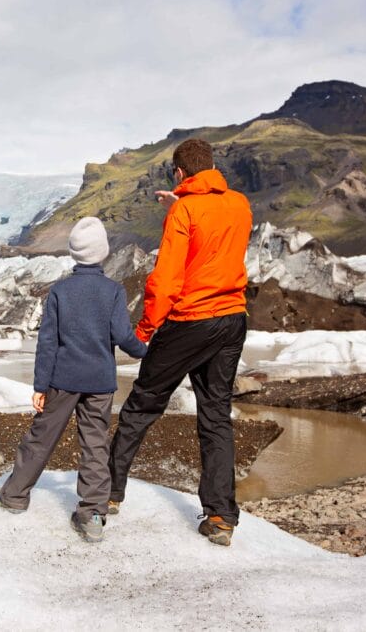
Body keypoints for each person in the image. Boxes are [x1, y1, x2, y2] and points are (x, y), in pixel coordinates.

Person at [108, 137, 252, 547]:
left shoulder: (185, 210)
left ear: (178, 172)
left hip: (191, 319)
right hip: (232, 319)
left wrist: (145, 328)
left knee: (142, 404)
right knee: (216, 416)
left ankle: (109, 492)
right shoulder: (239, 204)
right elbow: (216, 226)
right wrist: (183, 197)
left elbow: (167, 277)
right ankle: (221, 516)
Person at [0, 216, 148, 543]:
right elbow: (122, 335)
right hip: (100, 382)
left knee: (41, 437)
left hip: (62, 379)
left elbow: (48, 343)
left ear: (75, 253)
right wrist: (147, 351)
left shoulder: (60, 291)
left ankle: (15, 495)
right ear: (103, 252)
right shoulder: (114, 291)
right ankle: (92, 515)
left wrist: (39, 386)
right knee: (95, 445)